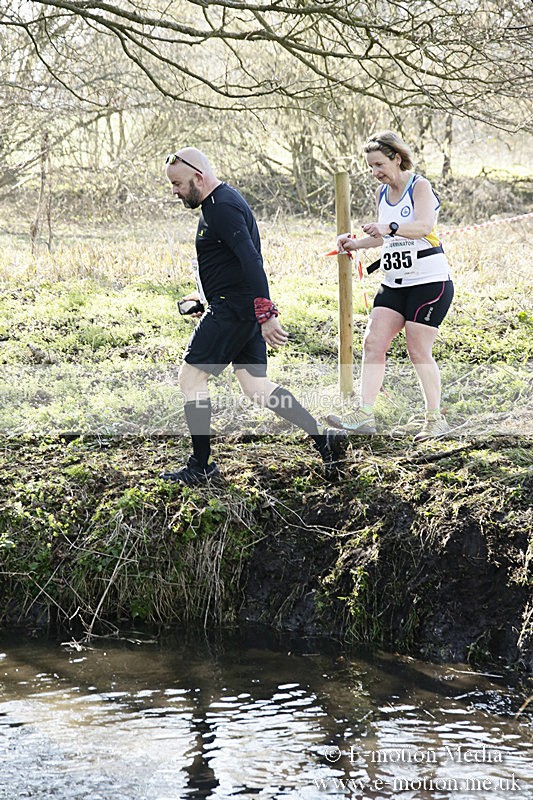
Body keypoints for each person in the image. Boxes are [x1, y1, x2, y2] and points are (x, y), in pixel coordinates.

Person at [160, 147, 347, 484]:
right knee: (256, 386)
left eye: (178, 184)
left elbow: (251, 260)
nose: (174, 191)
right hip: (236, 306)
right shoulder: (219, 203)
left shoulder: (222, 207)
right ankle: (324, 441)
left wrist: (266, 312)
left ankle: (201, 466)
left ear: (199, 178)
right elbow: (230, 264)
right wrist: (203, 298)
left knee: (191, 379)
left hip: (233, 309)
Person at [329, 131, 454, 441]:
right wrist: (355, 243)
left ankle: (435, 419)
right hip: (394, 282)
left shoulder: (419, 186)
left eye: (379, 165)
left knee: (417, 349)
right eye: (370, 167)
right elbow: (383, 236)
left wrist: (390, 226)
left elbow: (423, 226)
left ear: (397, 158)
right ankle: (364, 415)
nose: (375, 172)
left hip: (429, 282)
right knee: (373, 342)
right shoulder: (382, 194)